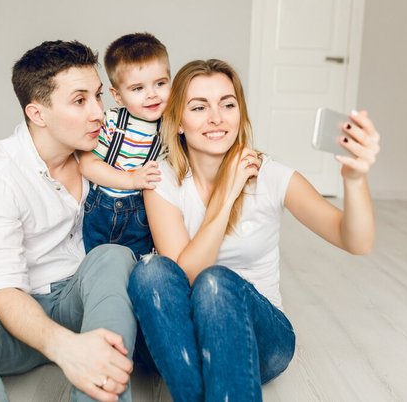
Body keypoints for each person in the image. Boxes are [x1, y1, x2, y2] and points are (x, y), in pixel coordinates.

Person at [128, 59, 381, 401]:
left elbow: (356, 241)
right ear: (180, 123)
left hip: (261, 338)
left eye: (228, 104)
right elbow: (181, 276)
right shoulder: (161, 178)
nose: (217, 117)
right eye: (199, 107)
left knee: (215, 283)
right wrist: (226, 195)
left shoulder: (272, 176)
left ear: (240, 114)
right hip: (182, 339)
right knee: (150, 270)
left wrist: (355, 178)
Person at [0, 40, 137, 402]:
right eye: (80, 100)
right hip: (16, 317)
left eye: (98, 96)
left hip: (82, 304)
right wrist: (65, 348)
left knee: (113, 256)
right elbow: (3, 289)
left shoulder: (102, 155)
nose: (99, 112)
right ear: (38, 114)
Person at [79, 33, 170, 259]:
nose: (152, 94)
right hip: (100, 213)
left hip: (141, 219)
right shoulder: (111, 121)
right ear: (117, 96)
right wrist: (131, 180)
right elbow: (88, 165)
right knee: (95, 268)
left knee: (135, 271)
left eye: (160, 83)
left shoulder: (171, 128)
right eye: (138, 88)